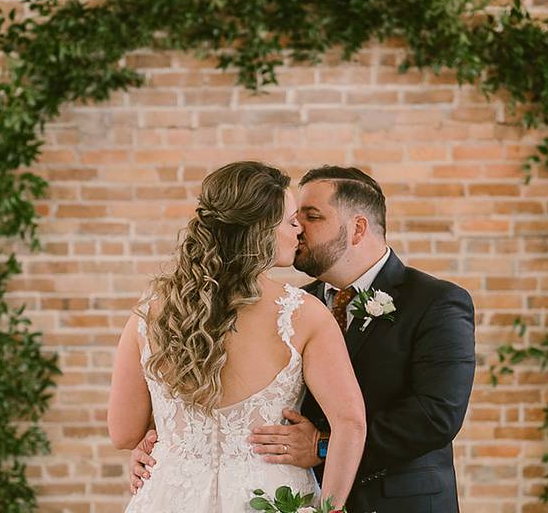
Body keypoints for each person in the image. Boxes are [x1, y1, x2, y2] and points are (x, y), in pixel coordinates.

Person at [129, 165, 476, 513]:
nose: (298, 228)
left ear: (357, 229)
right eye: (294, 217)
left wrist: (322, 446)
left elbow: (436, 415)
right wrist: (162, 445)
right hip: (288, 497)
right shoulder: (292, 306)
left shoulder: (436, 301)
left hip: (398, 503)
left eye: (312, 216)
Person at [108, 161, 366, 513]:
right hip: (269, 498)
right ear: (261, 232)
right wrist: (330, 509)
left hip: (170, 497)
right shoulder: (304, 315)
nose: (298, 232)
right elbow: (350, 423)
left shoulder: (150, 315)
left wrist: (171, 437)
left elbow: (123, 433)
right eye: (291, 222)